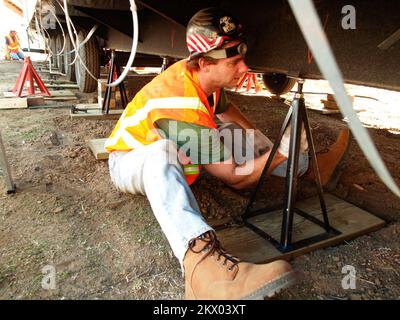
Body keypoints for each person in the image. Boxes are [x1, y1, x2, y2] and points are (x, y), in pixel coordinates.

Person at [105, 7, 350, 300]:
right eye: (234, 62)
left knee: (230, 130)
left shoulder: (202, 79)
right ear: (205, 64)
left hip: (177, 144)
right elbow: (235, 177)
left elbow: (225, 109)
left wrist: (265, 144)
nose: (245, 69)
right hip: (130, 161)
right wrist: (282, 154)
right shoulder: (182, 107)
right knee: (163, 151)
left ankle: (310, 170)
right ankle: (202, 271)